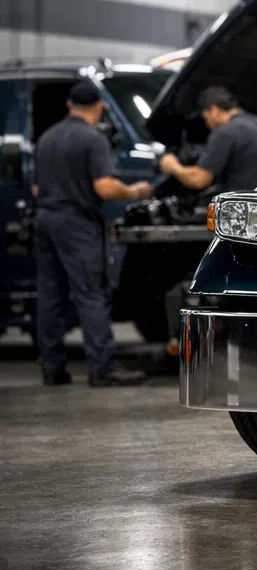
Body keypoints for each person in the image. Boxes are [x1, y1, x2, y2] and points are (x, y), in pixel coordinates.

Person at [32, 79, 153, 386]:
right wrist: (136, 192)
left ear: (69, 105)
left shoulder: (46, 138)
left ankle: (52, 369)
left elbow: (35, 187)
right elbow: (105, 187)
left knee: (50, 296)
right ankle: (103, 369)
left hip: (45, 219)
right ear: (99, 107)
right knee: (90, 294)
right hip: (76, 223)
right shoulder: (91, 139)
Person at [156, 86, 257, 195]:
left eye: (205, 118)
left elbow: (199, 180)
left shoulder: (225, 132)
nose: (207, 124)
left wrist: (173, 167)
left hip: (251, 210)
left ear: (214, 110)